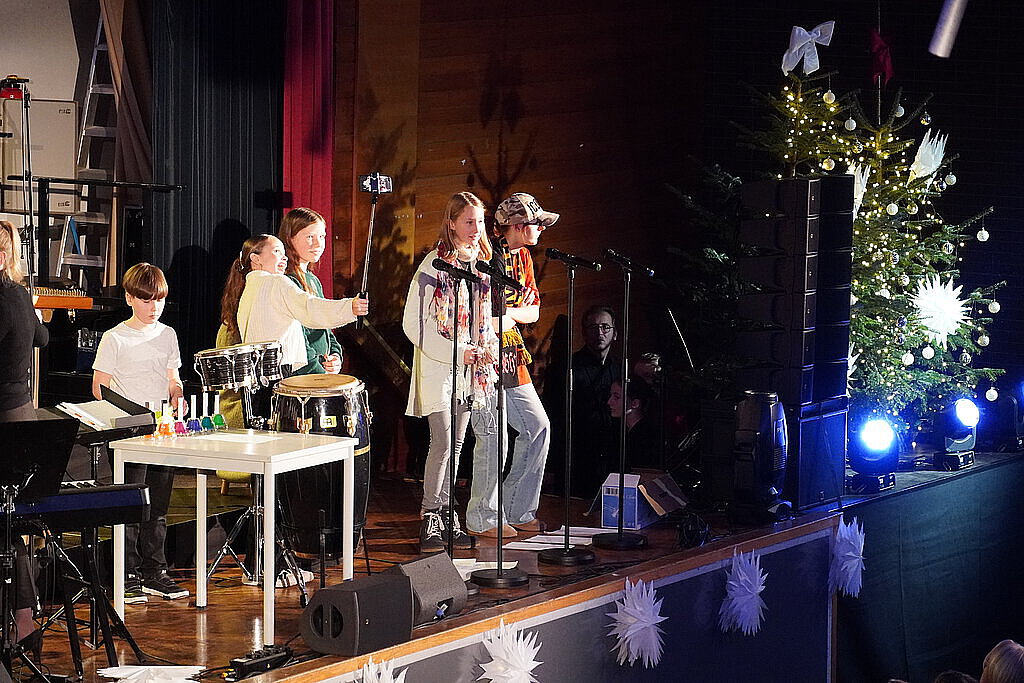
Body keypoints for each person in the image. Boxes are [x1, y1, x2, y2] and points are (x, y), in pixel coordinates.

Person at [404, 191, 498, 551]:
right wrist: (459, 352)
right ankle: (430, 515)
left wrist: (486, 348)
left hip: (468, 369)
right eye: (469, 221)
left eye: (480, 221)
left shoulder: (481, 265)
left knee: (456, 445)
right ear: (452, 223)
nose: (476, 228)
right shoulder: (434, 264)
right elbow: (414, 324)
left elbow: (482, 319)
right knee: (442, 443)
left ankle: (448, 515)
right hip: (439, 365)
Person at [92, 263, 188, 603]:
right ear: (129, 298)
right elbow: (99, 387)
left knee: (158, 506)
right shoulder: (115, 337)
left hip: (160, 429)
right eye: (146, 300)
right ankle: (127, 574)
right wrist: (129, 413)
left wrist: (178, 394)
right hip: (128, 432)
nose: (153, 307)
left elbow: (172, 377)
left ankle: (155, 572)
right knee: (131, 505)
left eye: (158, 300)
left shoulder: (168, 334)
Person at [465, 192, 556, 537]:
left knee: (537, 426)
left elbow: (532, 312)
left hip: (511, 351)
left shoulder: (525, 258)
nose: (541, 229)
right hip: (483, 354)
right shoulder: (486, 255)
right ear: (517, 226)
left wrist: (509, 315)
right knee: (493, 436)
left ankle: (518, 508)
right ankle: (483, 517)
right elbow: (482, 314)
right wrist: (505, 316)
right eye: (537, 224)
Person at [220, 234, 367, 421]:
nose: (284, 258)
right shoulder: (276, 283)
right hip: (279, 378)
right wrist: (350, 308)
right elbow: (309, 308)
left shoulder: (247, 290)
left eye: (284, 253)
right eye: (276, 251)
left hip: (256, 383)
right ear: (255, 258)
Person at [0, 220, 47, 654]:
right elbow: (42, 337)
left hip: (4, 418)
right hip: (22, 414)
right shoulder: (17, 293)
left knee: (6, 525)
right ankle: (24, 618)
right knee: (12, 523)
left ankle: (21, 619)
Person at [278, 207, 344, 376]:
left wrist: (335, 356)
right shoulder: (287, 282)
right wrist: (319, 372)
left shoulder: (313, 280)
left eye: (322, 236)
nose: (318, 244)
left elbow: (325, 327)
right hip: (305, 376)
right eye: (309, 237)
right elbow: (297, 337)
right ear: (290, 238)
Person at [568, 304, 621, 497]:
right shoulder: (569, 367)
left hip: (612, 454)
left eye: (605, 327)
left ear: (615, 333)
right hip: (579, 455)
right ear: (584, 333)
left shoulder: (620, 367)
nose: (600, 333)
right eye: (593, 327)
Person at [607, 377, 661, 471]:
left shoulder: (646, 437)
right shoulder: (620, 431)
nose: (609, 402)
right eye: (610, 396)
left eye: (616, 397)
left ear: (635, 403)